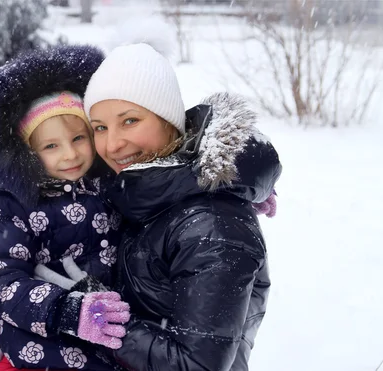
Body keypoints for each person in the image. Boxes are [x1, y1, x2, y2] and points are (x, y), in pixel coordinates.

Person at [81, 43, 282, 371]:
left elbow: (196, 364)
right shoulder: (139, 190)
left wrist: (97, 321)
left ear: (170, 122)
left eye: (129, 120)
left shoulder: (212, 224)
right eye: (100, 127)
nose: (111, 143)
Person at [0, 44, 130, 371]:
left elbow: (164, 189)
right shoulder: (13, 204)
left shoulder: (110, 181)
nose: (70, 154)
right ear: (29, 153)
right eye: (51, 145)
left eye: (79, 138)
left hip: (114, 327)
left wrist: (233, 186)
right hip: (42, 334)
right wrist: (67, 311)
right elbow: (1, 277)